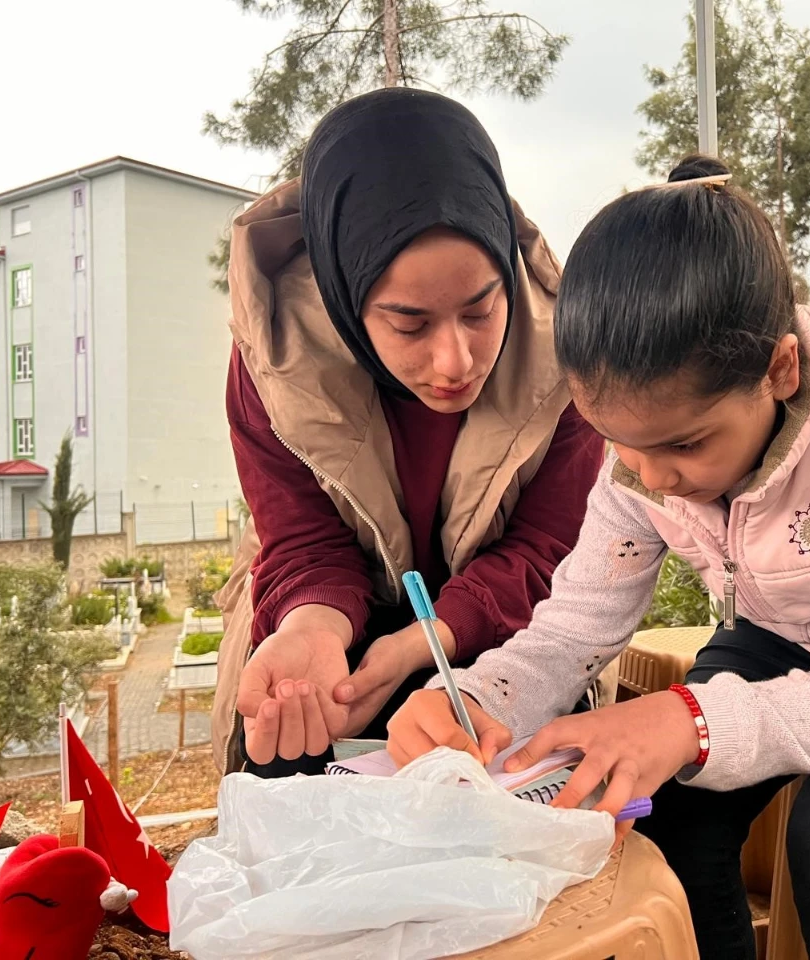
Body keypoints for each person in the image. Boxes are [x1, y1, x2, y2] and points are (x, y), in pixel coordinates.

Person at [386, 156, 810, 960]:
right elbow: (577, 624)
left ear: (779, 369)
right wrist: (478, 695)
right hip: (798, 628)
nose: (651, 479)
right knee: (659, 811)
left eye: (684, 444)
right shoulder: (644, 453)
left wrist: (687, 718)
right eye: (623, 446)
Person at [210, 88, 606, 777]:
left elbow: (548, 551)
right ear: (344, 297)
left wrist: (424, 643)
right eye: (409, 324)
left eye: (481, 310)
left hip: (504, 632)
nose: (455, 363)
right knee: (291, 759)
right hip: (337, 632)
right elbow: (303, 539)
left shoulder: (565, 351)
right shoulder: (275, 360)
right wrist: (311, 626)